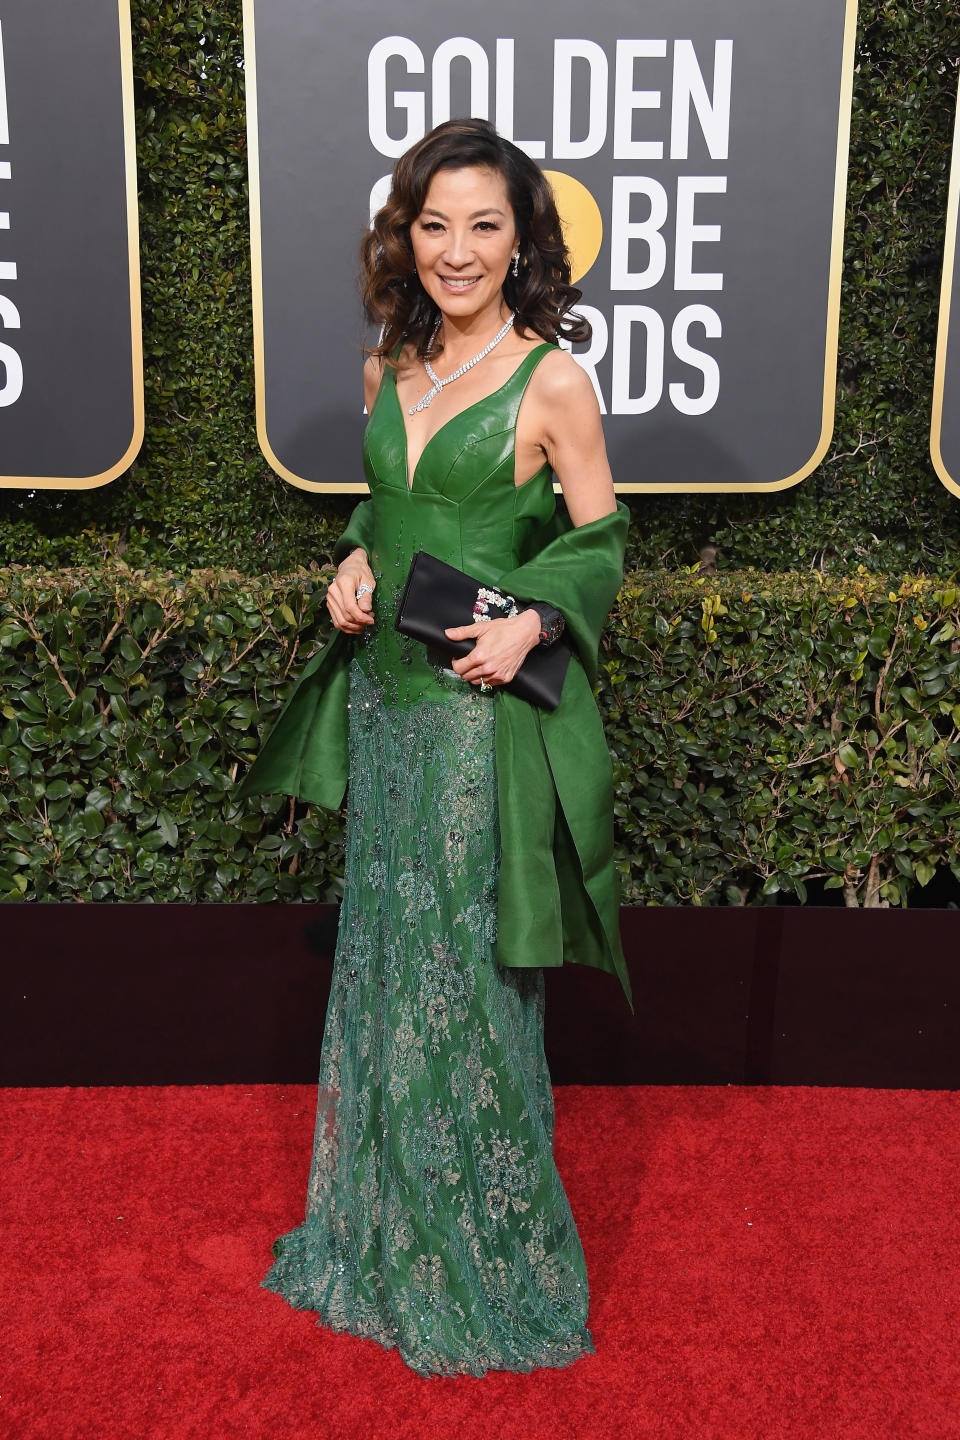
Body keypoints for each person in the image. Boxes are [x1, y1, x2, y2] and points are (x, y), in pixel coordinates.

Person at [236, 116, 632, 1378]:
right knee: (388, 971)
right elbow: (388, 506)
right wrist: (353, 557)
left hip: (475, 728)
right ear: (404, 237)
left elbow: (603, 543)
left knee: (465, 986)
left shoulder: (552, 380)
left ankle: (487, 1253)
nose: (457, 250)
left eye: (485, 225)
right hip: (387, 712)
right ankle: (381, 1235)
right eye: (435, 224)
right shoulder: (386, 370)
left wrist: (532, 623)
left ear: (523, 243)